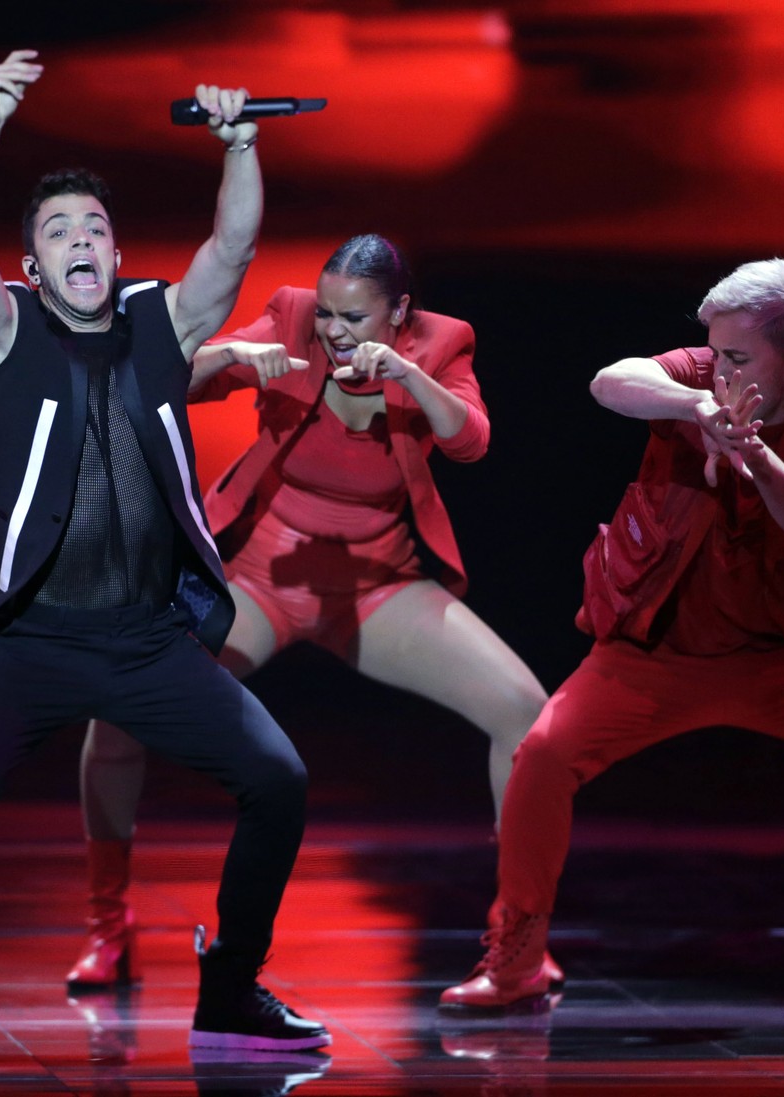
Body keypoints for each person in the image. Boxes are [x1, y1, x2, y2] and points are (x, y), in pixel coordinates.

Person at [0, 49, 330, 1067]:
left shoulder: (158, 322)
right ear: (36, 266)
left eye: (93, 225)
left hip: (148, 641)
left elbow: (233, 245)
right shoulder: (7, 332)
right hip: (37, 642)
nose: (80, 238)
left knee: (280, 779)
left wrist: (240, 142)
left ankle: (229, 989)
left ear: (116, 248)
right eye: (58, 231)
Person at [439, 257, 784, 1018]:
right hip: (653, 661)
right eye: (712, 352)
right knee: (544, 754)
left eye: (735, 357)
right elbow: (609, 381)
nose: (717, 367)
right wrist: (697, 408)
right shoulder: (701, 379)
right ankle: (518, 952)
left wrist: (754, 452)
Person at [67, 234, 551, 990]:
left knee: (527, 714)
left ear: (400, 313)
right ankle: (107, 925)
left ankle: (519, 942)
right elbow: (164, 387)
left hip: (376, 585)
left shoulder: (441, 343)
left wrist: (410, 375)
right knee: (118, 713)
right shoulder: (292, 319)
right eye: (327, 313)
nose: (333, 330)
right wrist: (227, 356)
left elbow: (471, 442)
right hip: (261, 579)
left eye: (353, 317)